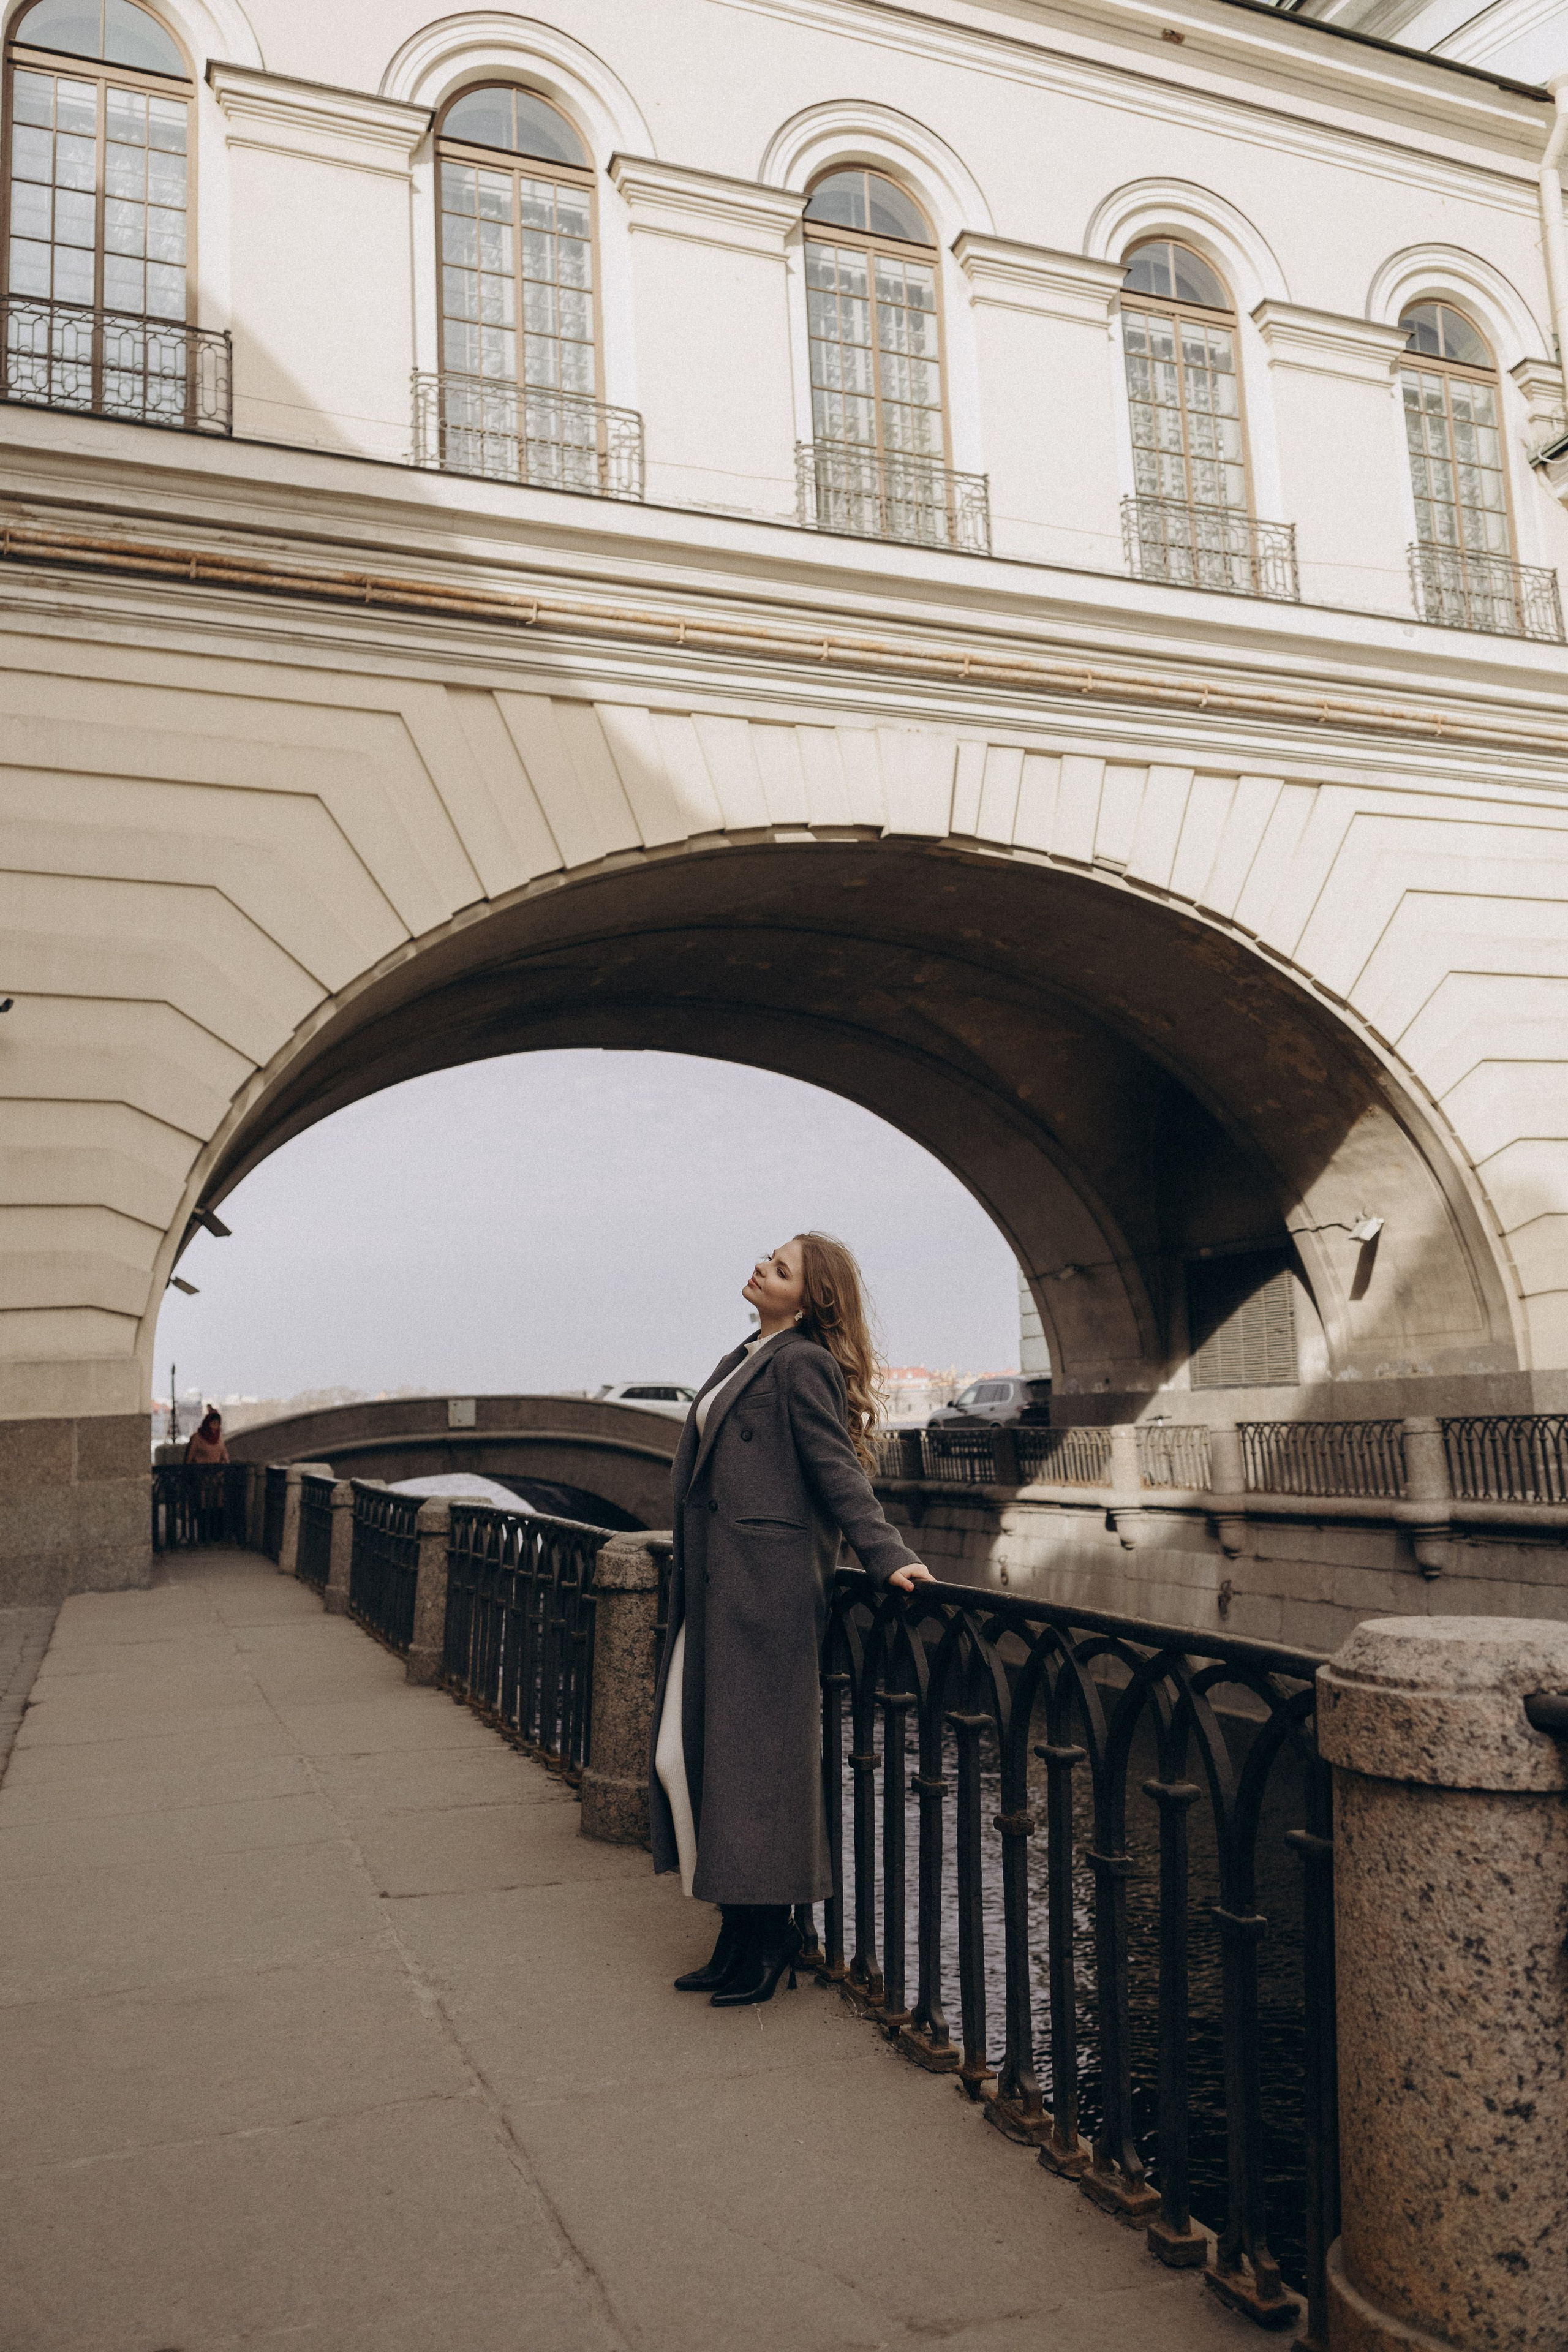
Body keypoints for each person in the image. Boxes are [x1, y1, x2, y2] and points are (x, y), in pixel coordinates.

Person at [650, 1232, 937, 2008]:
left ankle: (765, 1937)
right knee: (696, 1757)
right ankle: (740, 1932)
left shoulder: (800, 1362)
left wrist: (885, 1552)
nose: (759, 1267)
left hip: (766, 1592)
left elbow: (833, 1465)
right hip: (718, 1588)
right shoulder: (747, 1352)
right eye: (766, 1258)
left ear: (814, 1301)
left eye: (779, 1269)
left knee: (758, 1771)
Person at [183, 1408, 230, 1540]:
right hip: (202, 1481)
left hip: (217, 1481)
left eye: (217, 1424)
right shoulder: (197, 1438)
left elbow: (225, 1456)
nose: (215, 1426)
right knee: (203, 1507)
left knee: (217, 1507)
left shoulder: (220, 1439)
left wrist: (222, 1469)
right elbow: (189, 1459)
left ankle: (217, 1537)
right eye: (212, 1423)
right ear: (207, 1423)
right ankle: (204, 1537)